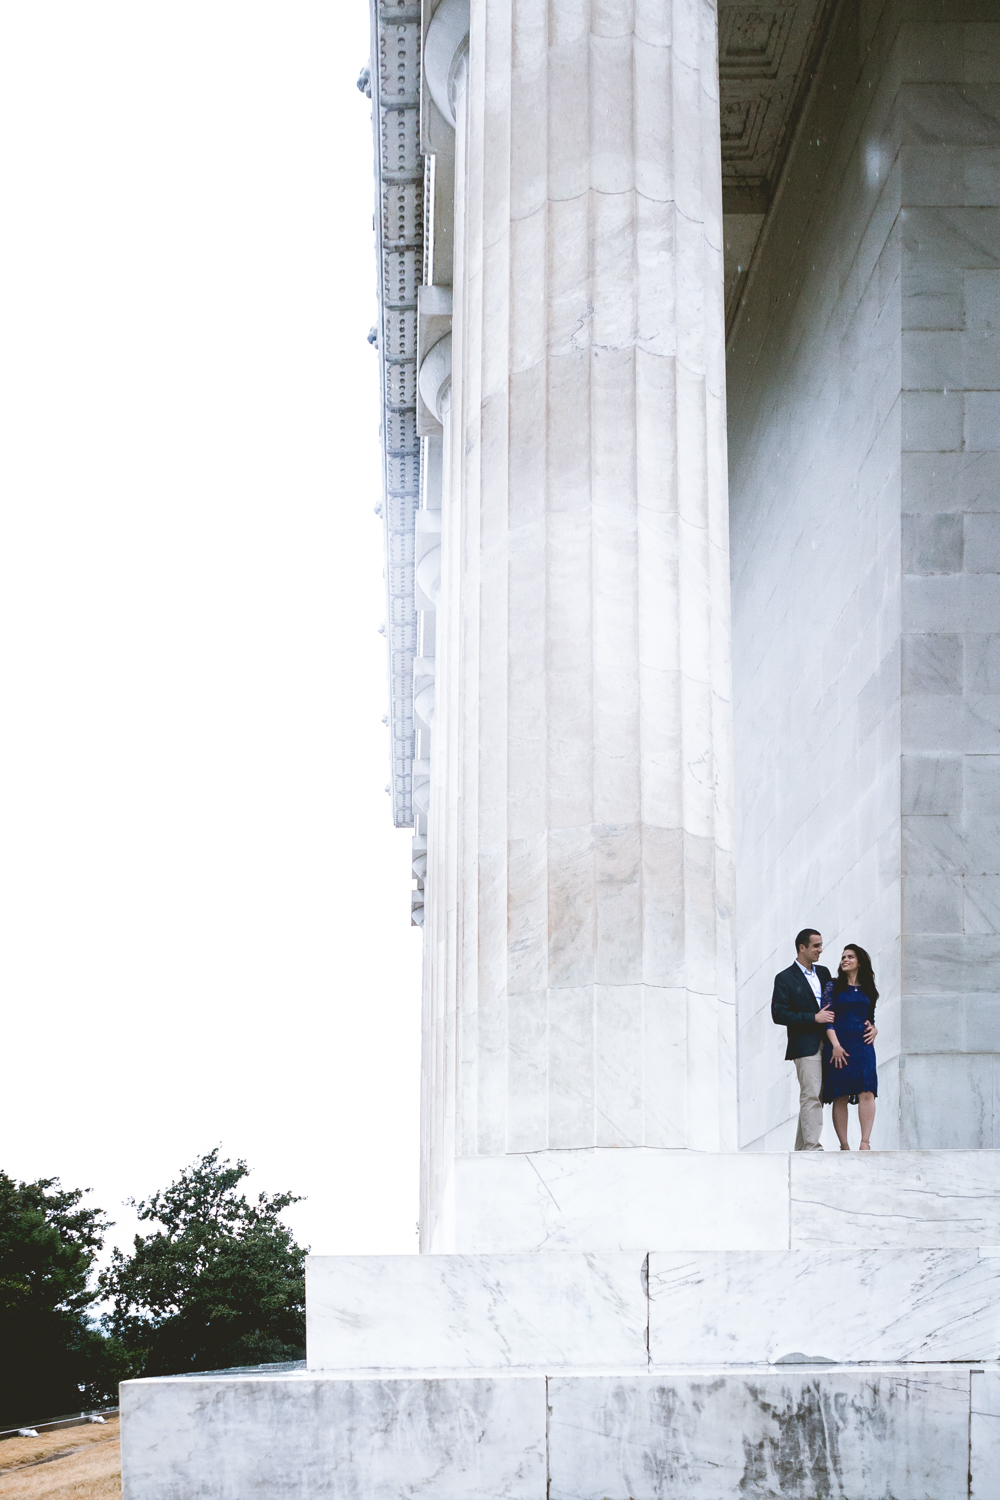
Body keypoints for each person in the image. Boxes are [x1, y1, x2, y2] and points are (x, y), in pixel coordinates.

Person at [770, 929, 834, 1150]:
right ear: (802, 948)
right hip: (805, 1045)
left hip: (829, 1042)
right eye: (816, 945)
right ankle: (812, 1147)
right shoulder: (785, 978)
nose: (820, 950)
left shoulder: (824, 973)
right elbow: (778, 1014)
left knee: (815, 1095)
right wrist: (813, 1018)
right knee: (811, 1094)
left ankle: (802, 1149)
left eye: (821, 945)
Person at [821, 944, 879, 1150]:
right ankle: (844, 1145)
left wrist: (875, 1029)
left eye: (850, 957)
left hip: (863, 1047)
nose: (844, 959)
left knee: (867, 1092)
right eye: (843, 956)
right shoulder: (833, 986)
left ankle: (865, 1143)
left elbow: (870, 1018)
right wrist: (835, 1045)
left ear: (859, 961)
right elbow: (827, 1018)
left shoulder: (869, 989)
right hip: (838, 1045)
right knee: (841, 1094)